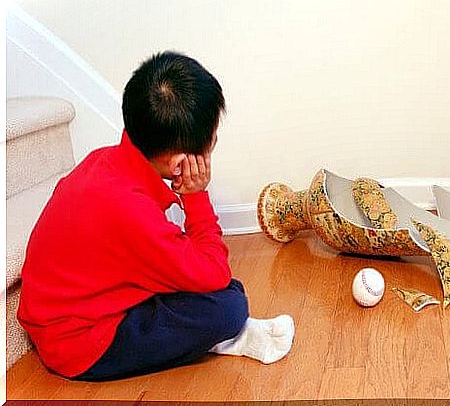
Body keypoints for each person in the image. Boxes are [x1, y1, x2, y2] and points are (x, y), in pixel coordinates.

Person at [17, 51, 295, 381]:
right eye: (212, 141)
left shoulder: (104, 160)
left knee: (209, 289)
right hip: (81, 345)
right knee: (229, 307)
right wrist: (195, 197)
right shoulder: (130, 210)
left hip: (77, 306)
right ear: (179, 162)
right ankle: (227, 339)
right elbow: (216, 274)